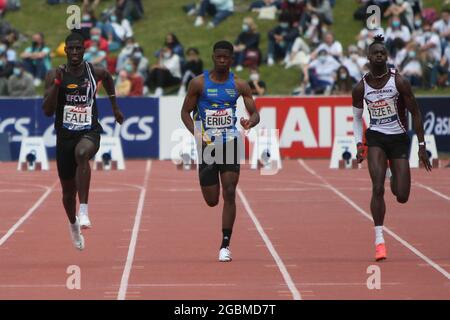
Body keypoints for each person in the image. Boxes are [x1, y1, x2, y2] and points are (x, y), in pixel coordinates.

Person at [352, 35, 431, 262]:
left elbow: (415, 112)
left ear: (387, 56)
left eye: (383, 53)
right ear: (369, 57)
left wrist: (422, 146)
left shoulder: (399, 82)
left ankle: (391, 174)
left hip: (398, 139)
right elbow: (357, 119)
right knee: (377, 188)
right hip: (376, 138)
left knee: (402, 195)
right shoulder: (361, 87)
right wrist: (360, 144)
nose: (380, 55)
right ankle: (379, 240)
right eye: (376, 53)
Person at [41, 32, 124, 250]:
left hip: (90, 131)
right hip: (65, 136)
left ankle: (84, 211)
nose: (76, 52)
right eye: (72, 49)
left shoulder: (92, 71)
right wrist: (58, 84)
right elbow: (47, 111)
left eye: (79, 48)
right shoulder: (54, 74)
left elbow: (107, 77)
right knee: (68, 194)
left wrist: (115, 106)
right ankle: (73, 224)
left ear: (84, 50)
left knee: (82, 154)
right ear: (66, 50)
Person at [180, 40, 260, 262]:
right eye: (218, 57)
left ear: (232, 59)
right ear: (213, 57)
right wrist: (196, 134)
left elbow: (256, 114)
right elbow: (185, 112)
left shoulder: (240, 85)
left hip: (230, 142)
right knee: (212, 200)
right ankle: (223, 238)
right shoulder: (199, 84)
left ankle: (225, 244)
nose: (222, 60)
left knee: (230, 191)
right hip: (207, 145)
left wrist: (249, 122)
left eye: (226, 57)